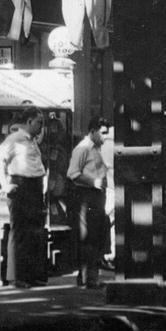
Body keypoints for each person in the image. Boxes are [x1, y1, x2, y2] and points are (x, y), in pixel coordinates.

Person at [0, 106, 48, 289]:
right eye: (39, 122)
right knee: (21, 232)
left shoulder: (31, 141)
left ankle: (30, 276)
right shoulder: (15, 139)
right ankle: (16, 277)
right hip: (21, 187)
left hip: (34, 187)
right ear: (29, 121)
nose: (41, 126)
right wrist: (5, 185)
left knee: (33, 232)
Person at [66, 116, 110, 289]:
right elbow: (73, 173)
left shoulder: (95, 148)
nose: (105, 137)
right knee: (89, 237)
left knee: (95, 236)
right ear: (93, 131)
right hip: (87, 195)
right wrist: (94, 182)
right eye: (103, 133)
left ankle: (88, 277)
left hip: (96, 196)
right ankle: (88, 279)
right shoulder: (83, 148)